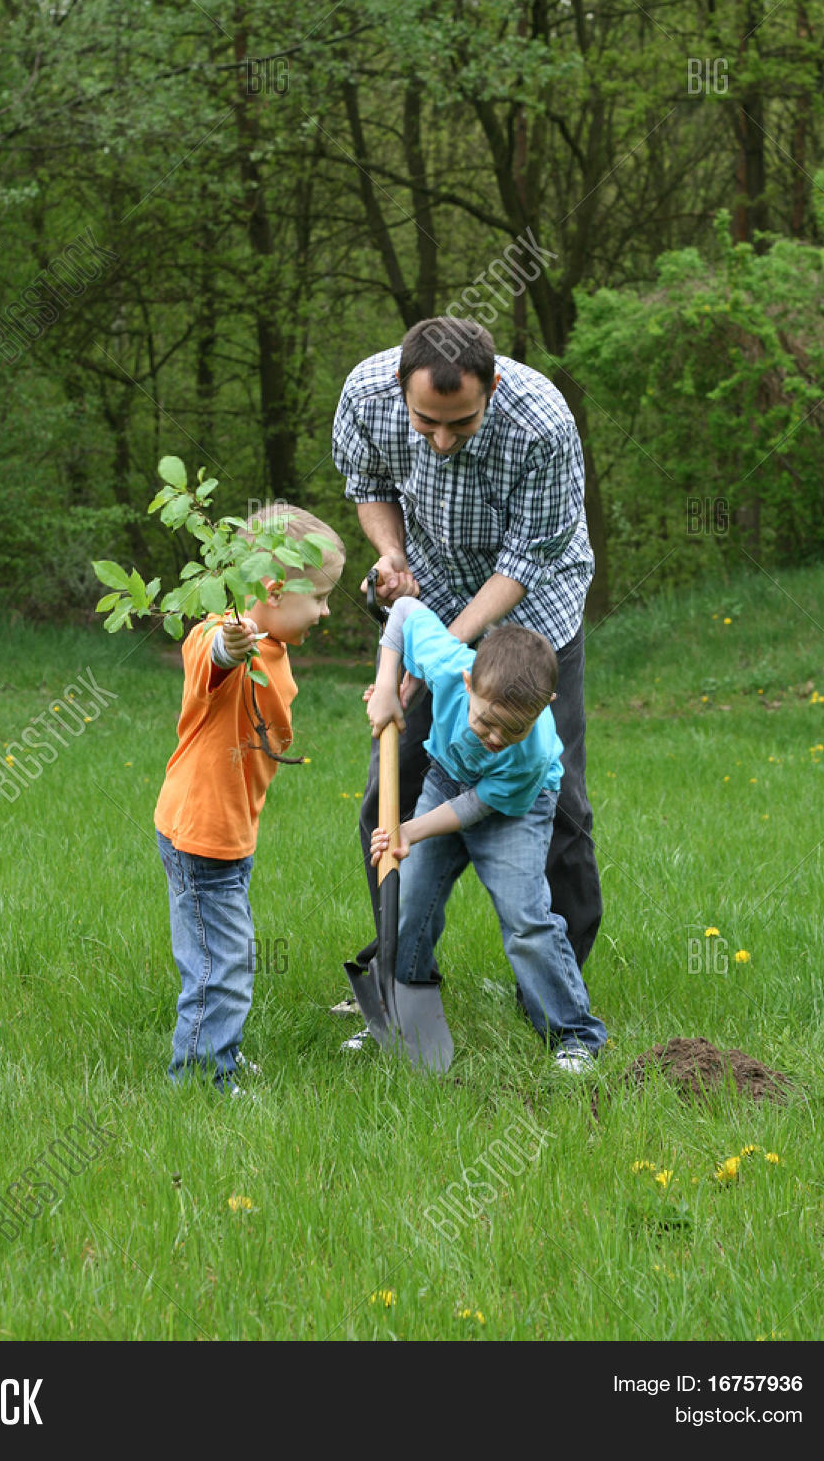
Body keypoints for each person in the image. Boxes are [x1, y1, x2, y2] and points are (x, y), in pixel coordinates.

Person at [332, 315, 601, 971]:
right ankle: (399, 967)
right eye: (426, 423)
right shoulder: (365, 396)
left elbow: (520, 564)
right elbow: (369, 489)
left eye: (462, 422)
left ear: (492, 386)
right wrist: (391, 554)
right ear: (400, 386)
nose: (442, 441)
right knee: (387, 797)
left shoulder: (542, 424)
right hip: (431, 589)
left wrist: (437, 660)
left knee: (553, 802)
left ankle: (555, 980)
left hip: (531, 612)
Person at [364, 597, 605, 1071]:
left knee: (525, 918)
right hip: (447, 778)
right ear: (468, 682)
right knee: (410, 900)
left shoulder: (531, 752)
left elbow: (478, 806)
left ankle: (574, 1034)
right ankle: (394, 1016)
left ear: (543, 707)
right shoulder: (449, 662)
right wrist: (388, 685)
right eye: (487, 721)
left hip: (514, 807)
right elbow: (405, 611)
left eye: (513, 728)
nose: (496, 738)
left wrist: (408, 829)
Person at [154, 505, 345, 1094]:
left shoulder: (274, 647)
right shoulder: (222, 635)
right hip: (202, 836)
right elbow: (210, 654)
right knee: (220, 967)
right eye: (318, 597)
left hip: (228, 836)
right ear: (273, 586)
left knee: (228, 957)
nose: (326, 610)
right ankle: (200, 1078)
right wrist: (230, 646)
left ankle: (221, 1053)